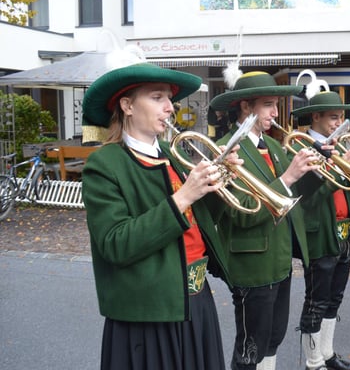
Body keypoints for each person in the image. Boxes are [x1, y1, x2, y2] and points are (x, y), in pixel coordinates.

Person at [81, 62, 237, 370]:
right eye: (157, 97)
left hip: (195, 298)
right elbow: (115, 243)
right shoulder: (104, 164)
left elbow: (197, 221)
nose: (169, 107)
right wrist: (184, 196)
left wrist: (219, 185)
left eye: (169, 98)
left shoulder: (170, 153)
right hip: (148, 312)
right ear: (127, 106)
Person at [209, 70, 319, 370]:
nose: (275, 113)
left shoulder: (271, 145)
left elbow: (294, 197)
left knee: (273, 339)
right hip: (252, 265)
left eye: (276, 105)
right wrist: (287, 177)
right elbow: (240, 212)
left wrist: (316, 171)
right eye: (268, 105)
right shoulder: (226, 150)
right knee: (250, 349)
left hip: (279, 260)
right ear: (246, 106)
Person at [289, 83, 350, 370]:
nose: (338, 122)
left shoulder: (339, 146)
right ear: (316, 116)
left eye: (340, 117)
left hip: (344, 230)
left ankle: (327, 354)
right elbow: (306, 201)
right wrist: (337, 170)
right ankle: (313, 361)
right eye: (333, 117)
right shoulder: (301, 148)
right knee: (316, 300)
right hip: (319, 233)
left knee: (335, 298)